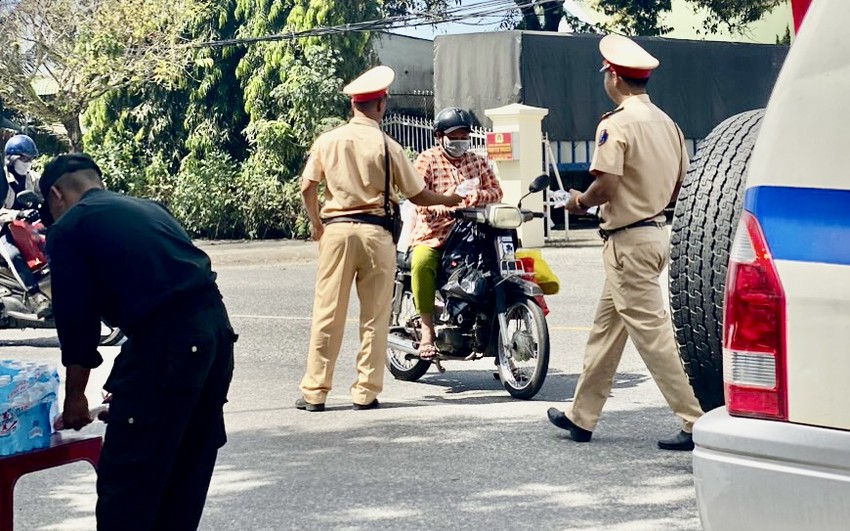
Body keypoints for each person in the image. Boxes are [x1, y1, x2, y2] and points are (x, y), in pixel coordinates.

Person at [42, 153, 236, 529]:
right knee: (185, 474)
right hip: (214, 336)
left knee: (127, 490)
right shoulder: (147, 208)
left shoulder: (70, 228)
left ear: (56, 195)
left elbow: (77, 323)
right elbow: (167, 294)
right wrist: (138, 386)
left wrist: (75, 397)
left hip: (172, 344)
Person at [547, 34, 704, 451]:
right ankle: (582, 417)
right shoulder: (668, 124)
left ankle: (696, 420)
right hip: (654, 234)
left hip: (626, 242)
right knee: (606, 329)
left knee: (652, 335)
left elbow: (606, 185)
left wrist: (578, 202)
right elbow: (678, 188)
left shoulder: (615, 124)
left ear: (613, 77)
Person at [298, 66, 462, 412]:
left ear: (354, 105)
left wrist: (316, 224)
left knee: (327, 314)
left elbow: (307, 186)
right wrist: (449, 200)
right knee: (374, 318)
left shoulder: (328, 141)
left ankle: (315, 392)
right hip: (376, 235)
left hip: (337, 232)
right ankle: (365, 392)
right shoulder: (388, 146)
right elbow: (418, 195)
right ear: (381, 105)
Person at [407, 107, 503, 360]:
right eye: (455, 135)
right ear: (439, 135)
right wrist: (441, 206)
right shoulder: (427, 159)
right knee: (421, 262)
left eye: (464, 135)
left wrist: (478, 195)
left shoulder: (477, 161)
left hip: (472, 232)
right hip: (435, 232)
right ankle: (427, 332)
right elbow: (417, 195)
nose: (460, 140)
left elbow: (496, 191)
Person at [0, 134, 51, 317]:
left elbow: (46, 196)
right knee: (13, 254)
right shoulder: (2, 180)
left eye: (30, 159)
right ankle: (35, 296)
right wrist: (18, 213)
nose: (27, 162)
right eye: (23, 158)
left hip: (25, 228)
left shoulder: (32, 178)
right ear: (11, 159)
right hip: (3, 230)